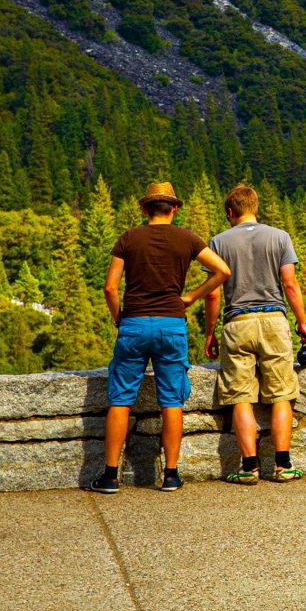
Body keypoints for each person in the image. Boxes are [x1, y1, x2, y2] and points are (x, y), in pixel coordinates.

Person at [97, 182, 230, 493]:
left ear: (145, 209)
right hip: (172, 323)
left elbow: (110, 288)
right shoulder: (187, 238)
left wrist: (118, 316)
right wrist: (192, 297)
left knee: (120, 399)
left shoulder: (129, 238)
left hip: (133, 323)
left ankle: (110, 476)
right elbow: (222, 270)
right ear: (174, 209)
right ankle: (170, 474)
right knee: (172, 400)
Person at [205, 184, 306, 483]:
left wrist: (210, 333)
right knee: (280, 394)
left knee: (241, 396)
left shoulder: (218, 242)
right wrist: (302, 322)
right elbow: (289, 283)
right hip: (274, 320)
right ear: (255, 207)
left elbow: (213, 295)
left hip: (237, 322)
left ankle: (249, 467)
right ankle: (283, 465)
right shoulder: (279, 237)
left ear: (230, 212)